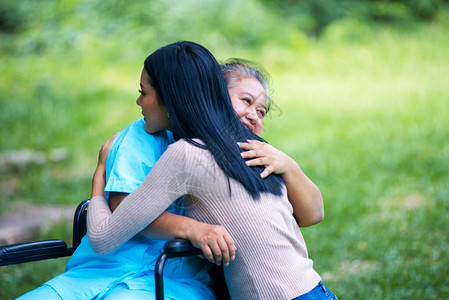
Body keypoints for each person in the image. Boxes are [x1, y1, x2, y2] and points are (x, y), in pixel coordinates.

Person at [18, 49, 322, 299]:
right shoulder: (198, 148)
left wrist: (99, 173)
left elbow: (311, 214)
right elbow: (124, 214)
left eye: (262, 111)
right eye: (246, 101)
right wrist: (191, 228)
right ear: (213, 95)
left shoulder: (242, 152)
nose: (254, 114)